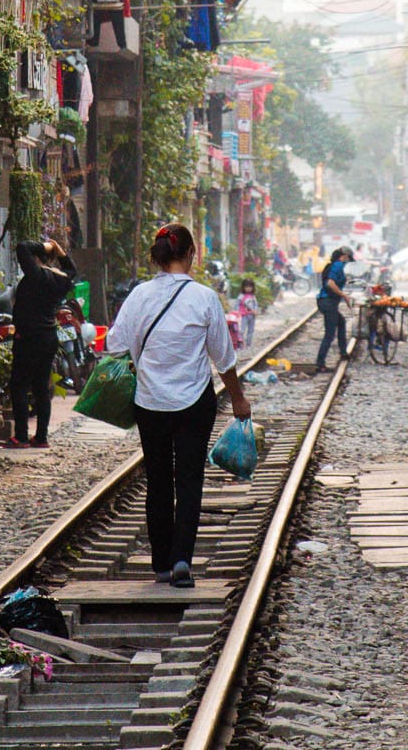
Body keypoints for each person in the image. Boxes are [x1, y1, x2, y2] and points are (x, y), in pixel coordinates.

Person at [106, 223, 249, 588]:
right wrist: (237, 397)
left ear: (157, 257)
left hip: (149, 402)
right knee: (189, 480)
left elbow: (114, 345)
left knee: (157, 480)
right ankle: (183, 558)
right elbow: (224, 357)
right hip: (193, 403)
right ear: (190, 255)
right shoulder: (203, 298)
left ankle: (160, 565)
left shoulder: (138, 296)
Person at [6, 238, 75, 449]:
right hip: (48, 338)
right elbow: (72, 270)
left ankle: (21, 436)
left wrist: (48, 246)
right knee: (41, 388)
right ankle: (41, 436)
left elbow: (22, 246)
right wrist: (61, 253)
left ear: (36, 259)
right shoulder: (62, 280)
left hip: (28, 338)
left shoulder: (35, 275)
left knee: (19, 386)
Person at [313, 246, 352, 370]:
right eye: (347, 259)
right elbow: (330, 283)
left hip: (325, 301)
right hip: (328, 302)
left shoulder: (333, 265)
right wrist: (343, 295)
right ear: (344, 257)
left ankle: (343, 352)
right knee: (329, 334)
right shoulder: (338, 265)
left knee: (341, 322)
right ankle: (320, 363)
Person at [234, 278, 260, 347]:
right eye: (246, 287)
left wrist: (256, 311)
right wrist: (237, 313)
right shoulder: (241, 296)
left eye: (250, 287)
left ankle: (249, 344)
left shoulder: (253, 296)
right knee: (241, 330)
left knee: (251, 330)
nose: (248, 288)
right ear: (243, 287)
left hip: (252, 315)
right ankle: (240, 343)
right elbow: (237, 305)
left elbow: (256, 304)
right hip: (243, 315)